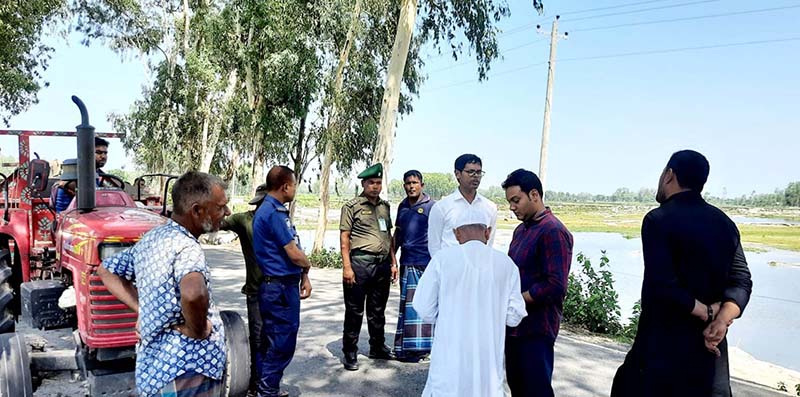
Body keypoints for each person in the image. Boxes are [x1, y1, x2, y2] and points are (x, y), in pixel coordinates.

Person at [611, 150, 753, 397]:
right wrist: (720, 321)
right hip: (709, 352)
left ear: (669, 175)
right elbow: (742, 281)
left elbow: (662, 284)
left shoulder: (658, 219)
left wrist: (705, 311)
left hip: (661, 350)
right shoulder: (725, 223)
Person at [98, 171, 230, 397]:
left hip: (156, 372)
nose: (226, 212)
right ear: (197, 211)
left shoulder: (153, 238)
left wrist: (143, 310)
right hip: (188, 371)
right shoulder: (187, 248)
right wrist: (197, 330)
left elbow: (106, 270)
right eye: (220, 207)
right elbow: (193, 293)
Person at [413, 206, 527, 397]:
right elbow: (514, 317)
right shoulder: (506, 265)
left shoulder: (442, 260)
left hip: (449, 361)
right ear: (488, 232)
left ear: (457, 234)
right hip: (487, 367)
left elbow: (424, 307)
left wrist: (449, 317)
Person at [502, 168, 573, 397]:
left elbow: (555, 284)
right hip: (514, 327)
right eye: (510, 202)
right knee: (518, 388)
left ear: (534, 195)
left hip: (536, 330)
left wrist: (517, 299)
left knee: (536, 390)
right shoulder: (521, 231)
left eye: (516, 200)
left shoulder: (553, 231)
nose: (512, 207)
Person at [252, 166, 313, 397]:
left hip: (276, 285)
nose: (295, 189)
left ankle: (265, 388)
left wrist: (303, 275)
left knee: (271, 341)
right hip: (280, 288)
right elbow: (294, 253)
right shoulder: (274, 213)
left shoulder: (268, 210)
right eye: (295, 185)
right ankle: (266, 391)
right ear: (286, 186)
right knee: (282, 342)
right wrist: (307, 266)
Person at [339, 163, 398, 371]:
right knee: (354, 311)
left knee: (377, 310)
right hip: (360, 264)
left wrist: (393, 262)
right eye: (371, 182)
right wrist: (347, 267)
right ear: (364, 184)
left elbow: (388, 236)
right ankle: (350, 352)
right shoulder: (352, 207)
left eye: (379, 183)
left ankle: (377, 347)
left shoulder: (385, 207)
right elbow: (344, 238)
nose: (375, 186)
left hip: (381, 265)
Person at [220, 183, 268, 394]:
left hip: (279, 290)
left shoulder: (280, 220)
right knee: (257, 337)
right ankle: (255, 383)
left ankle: (268, 383)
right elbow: (218, 222)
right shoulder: (244, 220)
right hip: (256, 289)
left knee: (273, 337)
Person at [392, 170, 436, 362]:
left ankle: (422, 349)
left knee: (422, 306)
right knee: (406, 306)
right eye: (408, 183)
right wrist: (392, 259)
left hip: (425, 263)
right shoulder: (402, 206)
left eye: (415, 183)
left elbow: (439, 236)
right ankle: (405, 348)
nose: (411, 186)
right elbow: (398, 235)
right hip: (406, 262)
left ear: (422, 185)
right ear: (404, 186)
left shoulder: (431, 207)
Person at [427, 153, 497, 257]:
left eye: (478, 172)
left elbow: (489, 243)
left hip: (478, 268)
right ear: (457, 174)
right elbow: (434, 246)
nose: (476, 176)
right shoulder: (441, 207)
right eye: (470, 172)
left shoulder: (490, 207)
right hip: (450, 268)